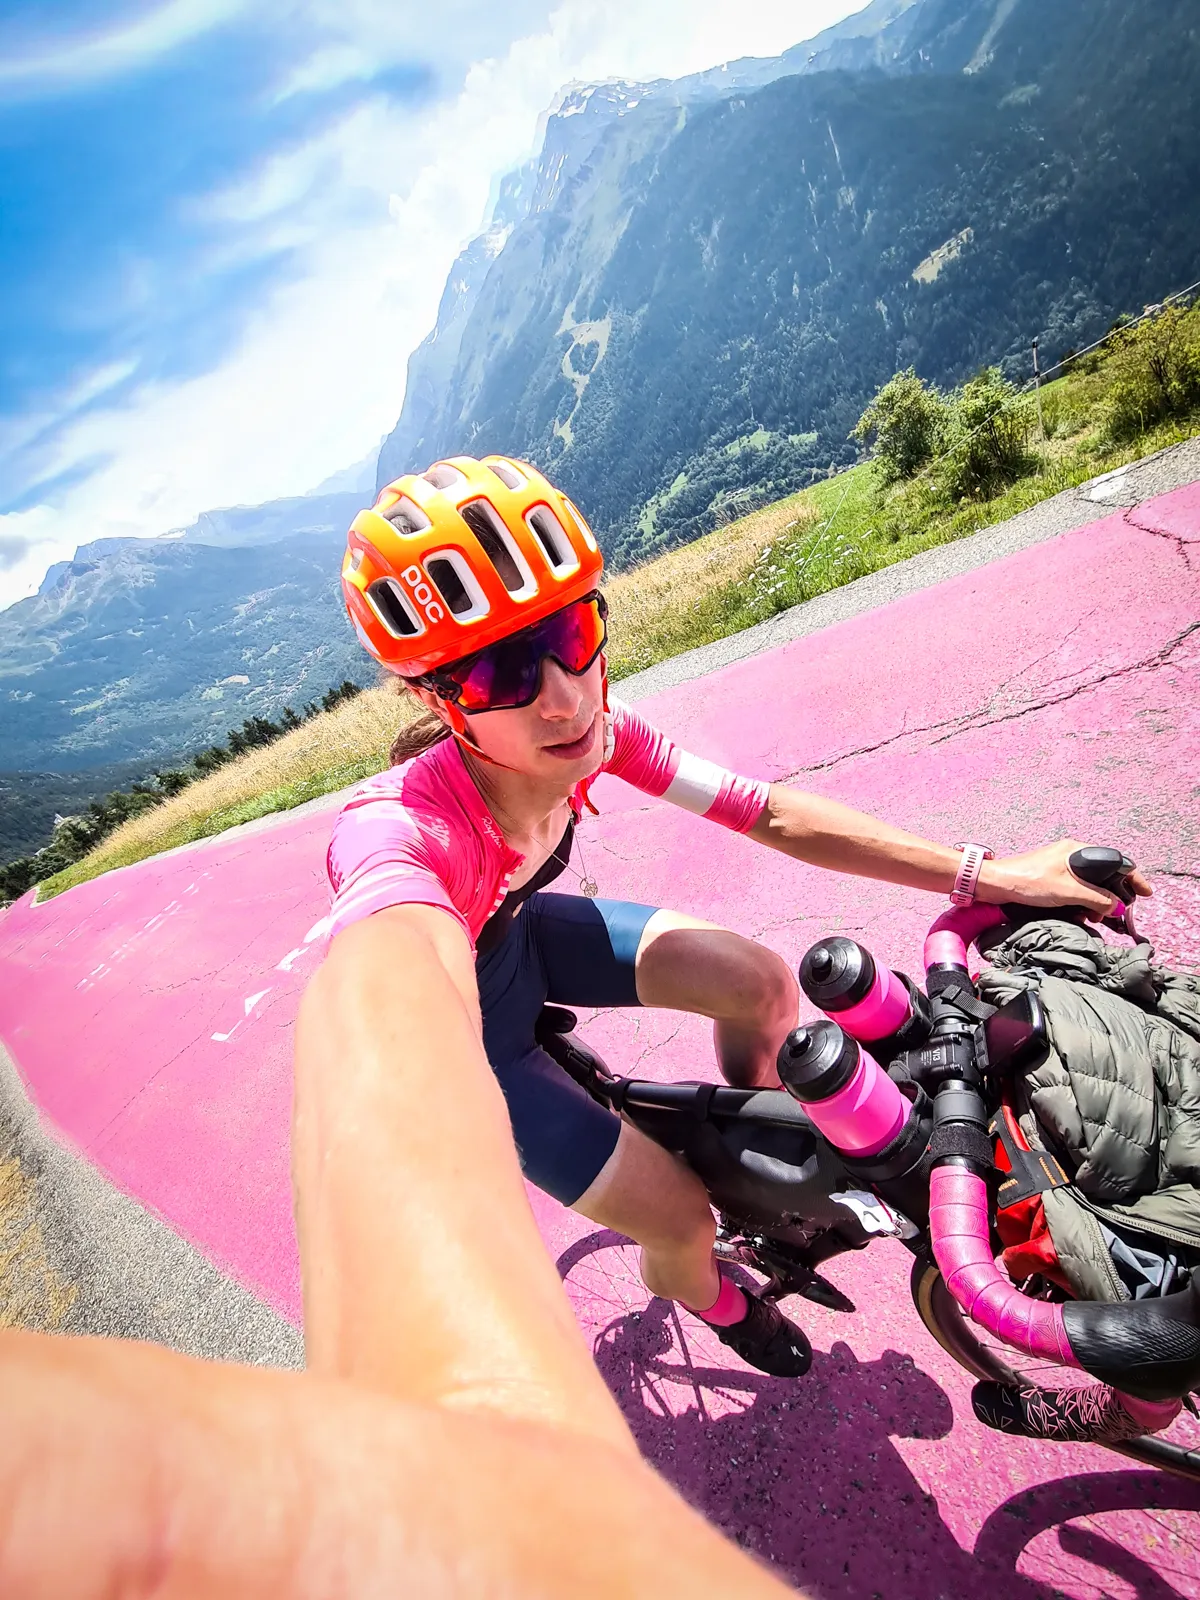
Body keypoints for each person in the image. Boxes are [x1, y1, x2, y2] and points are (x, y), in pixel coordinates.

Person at [325, 453, 1149, 1379]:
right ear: (440, 700)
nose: (564, 694)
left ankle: (752, 1151)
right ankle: (716, 1297)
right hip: (471, 1041)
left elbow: (776, 814)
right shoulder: (405, 828)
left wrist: (987, 873)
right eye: (501, 675)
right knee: (678, 1218)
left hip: (523, 939)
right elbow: (388, 947)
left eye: (569, 630)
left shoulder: (598, 731)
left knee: (759, 980)